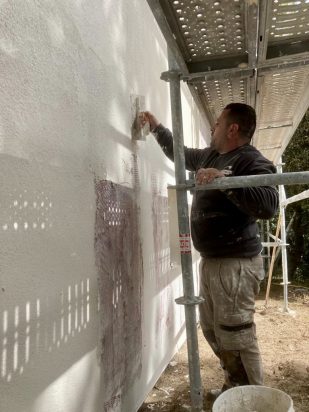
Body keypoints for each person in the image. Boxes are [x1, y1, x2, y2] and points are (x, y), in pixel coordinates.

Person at [142, 103, 279, 396]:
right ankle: (236, 386)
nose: (212, 128)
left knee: (236, 334)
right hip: (212, 261)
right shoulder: (211, 155)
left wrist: (225, 181)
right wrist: (156, 128)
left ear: (232, 128)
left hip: (236, 263)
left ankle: (254, 398)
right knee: (213, 331)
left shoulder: (249, 160)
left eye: (217, 123)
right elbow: (181, 154)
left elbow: (269, 203)